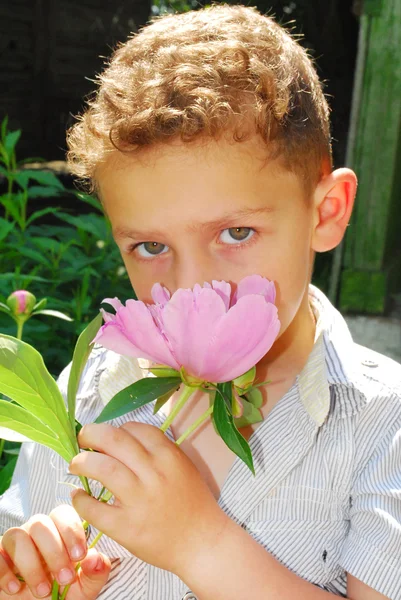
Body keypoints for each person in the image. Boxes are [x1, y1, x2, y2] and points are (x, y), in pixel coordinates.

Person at [0, 4, 400, 599]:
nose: (192, 288)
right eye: (150, 245)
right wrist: (30, 578)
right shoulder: (88, 394)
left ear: (327, 212)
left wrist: (199, 543)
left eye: (235, 233)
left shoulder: (385, 427)